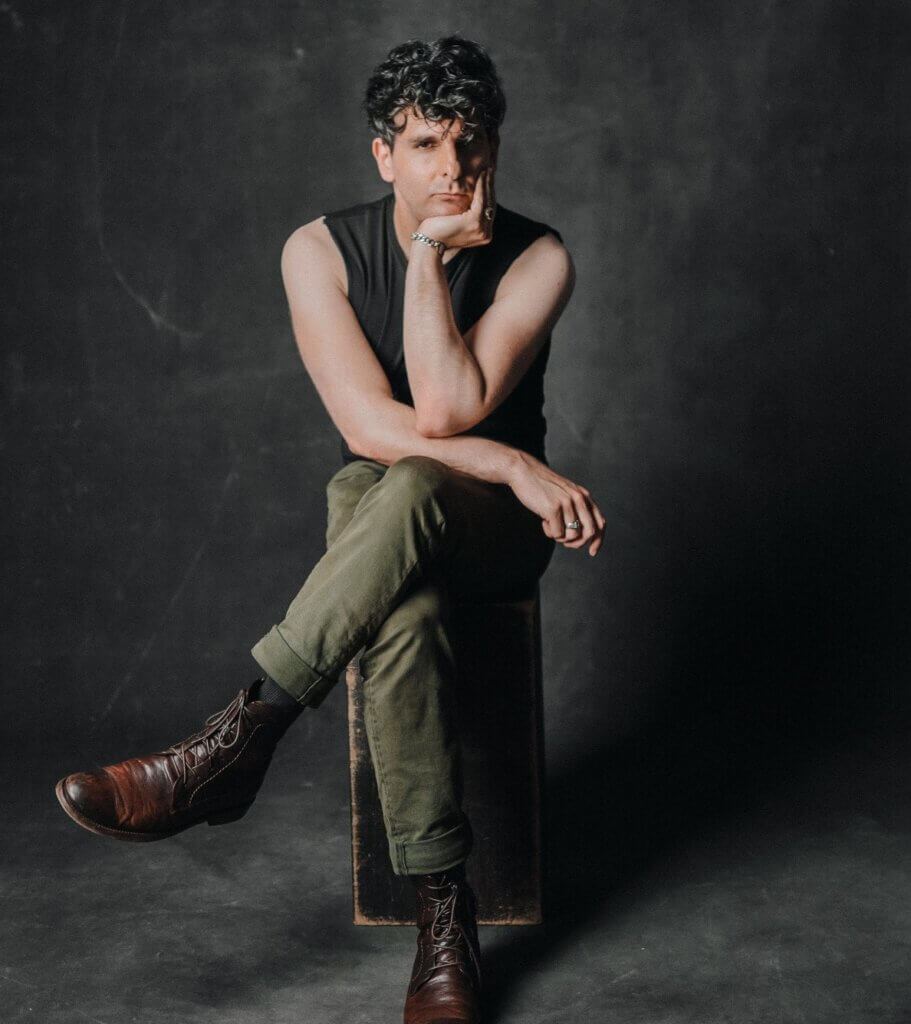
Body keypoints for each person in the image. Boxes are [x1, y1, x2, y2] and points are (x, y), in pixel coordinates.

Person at [55, 36, 605, 1024]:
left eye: (470, 143)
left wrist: (430, 253)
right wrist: (516, 461)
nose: (451, 168)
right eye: (426, 143)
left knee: (406, 490)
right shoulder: (316, 251)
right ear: (381, 153)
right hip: (407, 504)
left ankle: (235, 742)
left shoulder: (540, 257)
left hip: (490, 534)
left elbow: (440, 408)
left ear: (495, 146)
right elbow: (368, 427)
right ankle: (446, 916)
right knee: (395, 559)